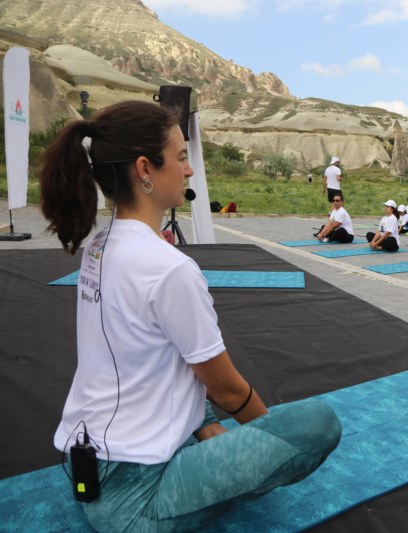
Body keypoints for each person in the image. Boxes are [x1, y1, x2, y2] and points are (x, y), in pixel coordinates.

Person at [39, 101, 341, 532]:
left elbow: (158, 357)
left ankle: (197, 434)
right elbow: (224, 385)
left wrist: (206, 425)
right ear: (145, 168)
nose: (189, 170)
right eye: (181, 158)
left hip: (87, 464)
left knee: (175, 365)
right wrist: (270, 442)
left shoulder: (100, 245)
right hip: (135, 501)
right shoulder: (169, 268)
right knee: (317, 423)